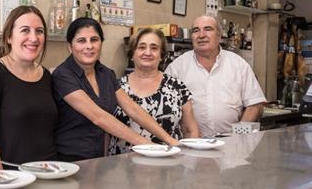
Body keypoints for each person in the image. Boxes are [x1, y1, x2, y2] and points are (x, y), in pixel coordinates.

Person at [53, 18, 181, 162]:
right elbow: (99, 117)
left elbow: (133, 109)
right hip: (69, 160)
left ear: (101, 43)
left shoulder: (106, 74)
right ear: (70, 47)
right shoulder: (63, 75)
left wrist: (170, 140)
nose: (89, 46)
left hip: (99, 159)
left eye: (94, 40)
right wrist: (147, 145)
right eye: (81, 41)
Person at [0, 6, 57, 169]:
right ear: (9, 36)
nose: (34, 38)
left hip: (45, 176)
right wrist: (2, 181)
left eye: (39, 31)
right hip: (9, 178)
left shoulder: (46, 76)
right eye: (25, 30)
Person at [165, 15, 266, 137]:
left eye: (208, 29)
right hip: (191, 144)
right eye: (196, 30)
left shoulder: (238, 65)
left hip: (230, 144)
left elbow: (254, 104)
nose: (201, 35)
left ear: (219, 35)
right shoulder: (176, 68)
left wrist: (238, 136)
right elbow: (166, 109)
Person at [109, 27, 200, 155]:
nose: (148, 52)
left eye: (154, 48)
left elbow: (190, 130)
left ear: (162, 55)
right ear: (132, 54)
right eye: (141, 47)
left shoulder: (177, 87)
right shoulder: (116, 87)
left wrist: (191, 159)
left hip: (169, 165)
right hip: (122, 166)